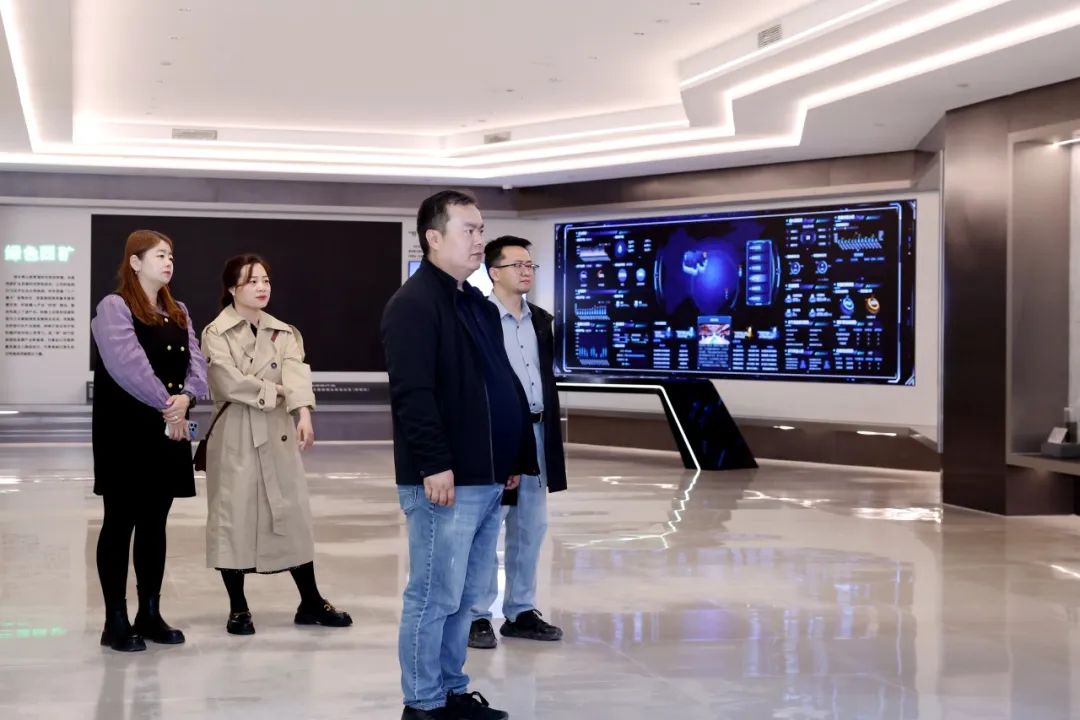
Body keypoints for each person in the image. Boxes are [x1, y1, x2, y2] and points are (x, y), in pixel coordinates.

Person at [382, 190, 538, 720]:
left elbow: (501, 384)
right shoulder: (413, 305)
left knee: (466, 597)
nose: (479, 239)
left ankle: (451, 689)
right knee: (434, 595)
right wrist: (433, 463)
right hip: (445, 479)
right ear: (433, 237)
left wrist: (512, 458)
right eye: (468, 230)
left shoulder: (473, 303)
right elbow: (413, 394)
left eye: (481, 229)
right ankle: (423, 703)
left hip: (487, 476)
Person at [200, 254, 351, 635]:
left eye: (265, 280)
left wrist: (303, 413)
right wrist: (277, 391)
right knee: (233, 517)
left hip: (278, 432)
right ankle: (238, 607)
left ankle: (310, 601)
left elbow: (297, 373)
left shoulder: (283, 332)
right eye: (252, 281)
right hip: (235, 433)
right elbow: (226, 382)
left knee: (292, 514)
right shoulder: (216, 332)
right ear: (232, 288)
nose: (261, 287)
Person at [91, 229, 208, 652]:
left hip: (168, 429)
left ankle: (150, 613)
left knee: (155, 522)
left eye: (171, 255)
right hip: (126, 430)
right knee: (120, 521)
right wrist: (169, 404)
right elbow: (127, 365)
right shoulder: (115, 306)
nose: (168, 261)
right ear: (135, 262)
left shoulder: (178, 310)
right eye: (159, 255)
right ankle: (115, 621)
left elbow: (197, 363)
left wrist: (188, 397)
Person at [468, 236, 568, 650]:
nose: (526, 271)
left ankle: (521, 611)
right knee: (487, 526)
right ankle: (476, 614)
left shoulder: (541, 321)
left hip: (538, 432)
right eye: (517, 265)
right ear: (494, 272)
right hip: (497, 434)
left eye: (530, 265)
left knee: (530, 525)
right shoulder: (477, 319)